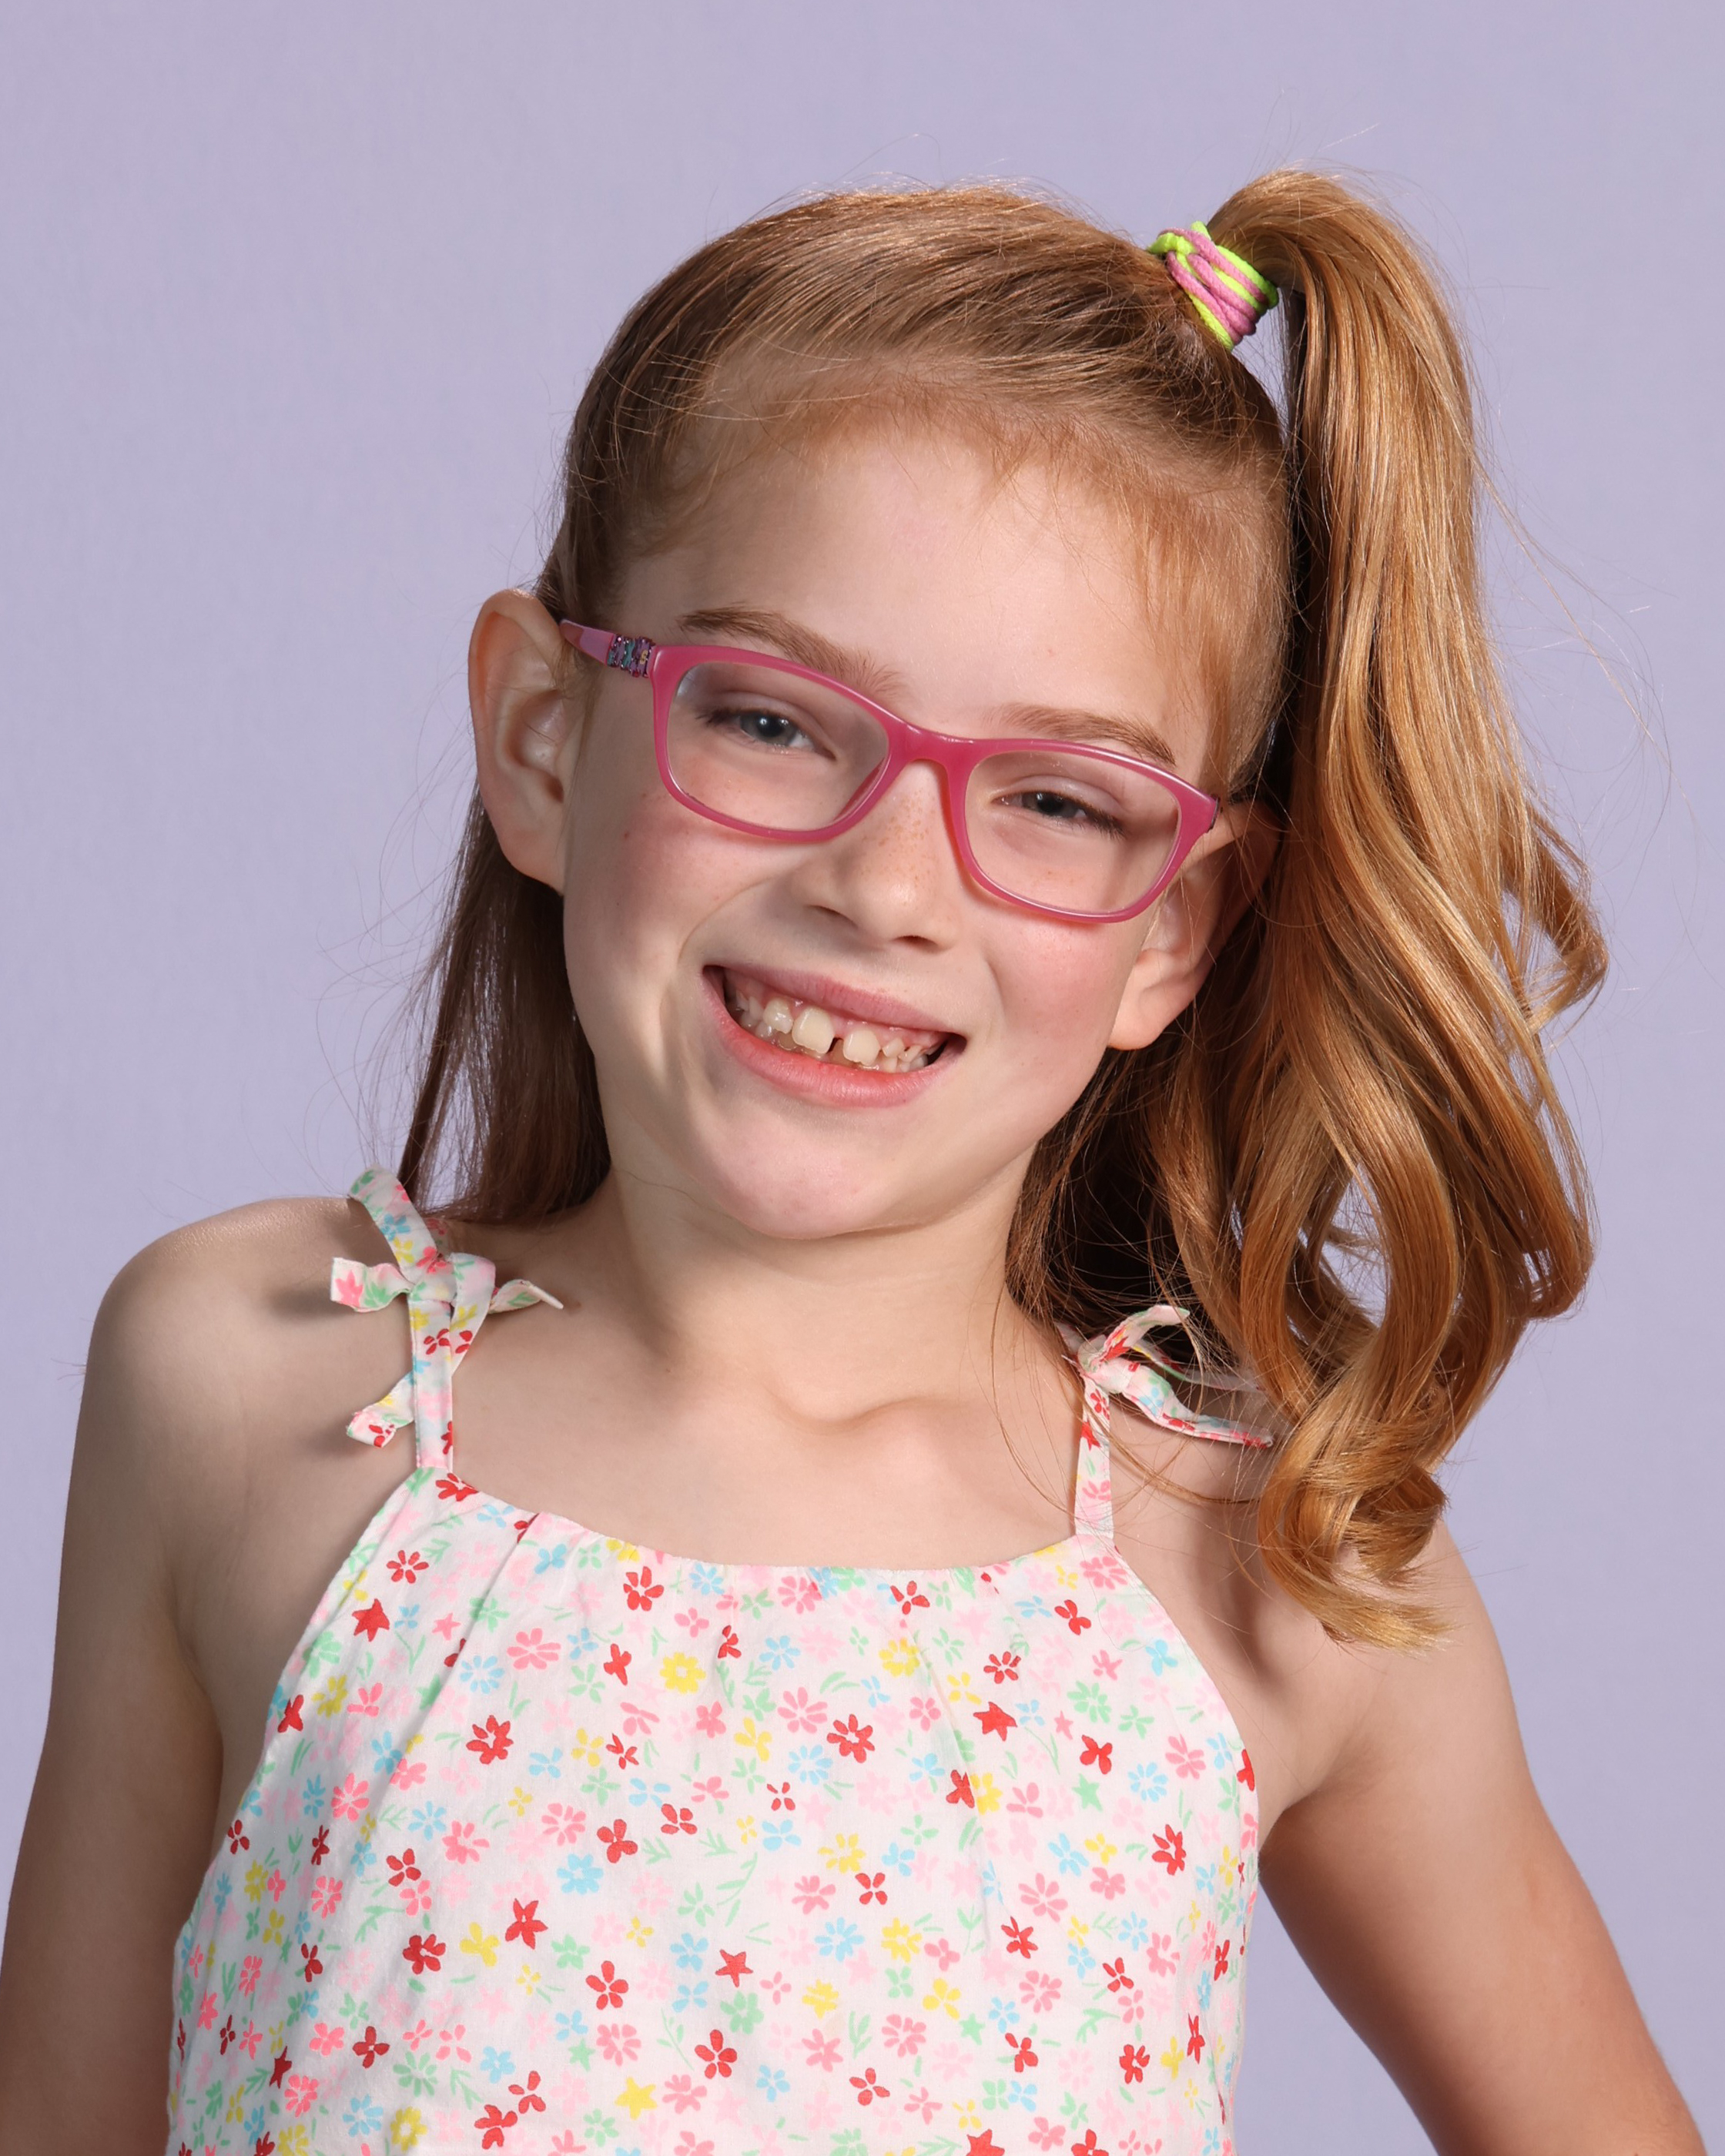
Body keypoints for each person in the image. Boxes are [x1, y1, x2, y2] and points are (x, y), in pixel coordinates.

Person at [0, 172, 1701, 2156]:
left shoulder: (1262, 1562)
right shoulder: (244, 1373)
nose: (887, 885)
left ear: (1170, 929)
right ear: (545, 739)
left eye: (1056, 799)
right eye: (776, 722)